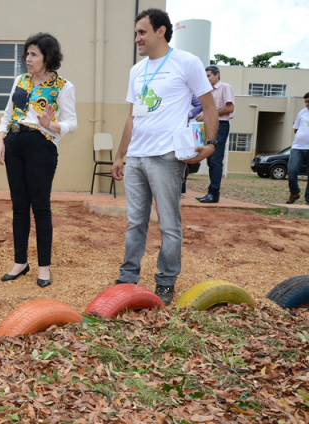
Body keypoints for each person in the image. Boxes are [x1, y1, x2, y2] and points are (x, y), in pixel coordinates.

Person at [111, 8, 219, 305]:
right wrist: (121, 155)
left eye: (142, 32)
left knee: (169, 223)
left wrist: (210, 144)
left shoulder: (187, 62)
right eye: (135, 33)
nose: (137, 39)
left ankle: (166, 281)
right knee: (135, 222)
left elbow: (209, 106)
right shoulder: (137, 70)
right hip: (136, 157)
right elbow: (133, 116)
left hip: (167, 156)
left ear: (161, 31)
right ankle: (128, 277)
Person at [0, 33, 77, 288]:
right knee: (19, 206)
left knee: (40, 208)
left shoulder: (63, 86)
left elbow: (71, 123)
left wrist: (50, 124)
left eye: (33, 55)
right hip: (14, 142)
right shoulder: (20, 80)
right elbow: (7, 115)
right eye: (26, 54)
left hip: (41, 146)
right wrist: (0, 141)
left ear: (48, 57)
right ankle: (20, 262)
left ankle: (44, 267)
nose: (27, 59)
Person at [195, 65, 235, 203]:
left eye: (208, 76)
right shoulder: (208, 91)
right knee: (209, 160)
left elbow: (230, 107)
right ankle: (211, 192)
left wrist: (209, 113)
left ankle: (214, 193)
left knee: (215, 160)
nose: (206, 78)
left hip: (220, 126)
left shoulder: (225, 87)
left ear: (217, 75)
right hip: (208, 126)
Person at [285, 92, 309, 205]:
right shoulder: (302, 113)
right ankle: (294, 193)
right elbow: (296, 129)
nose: (307, 104)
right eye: (306, 102)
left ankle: (308, 198)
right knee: (292, 171)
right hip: (298, 147)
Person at [182, 95, 203, 198]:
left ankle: (180, 190)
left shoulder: (187, 90)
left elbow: (200, 104)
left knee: (182, 159)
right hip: (163, 130)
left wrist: (190, 114)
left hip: (182, 130)